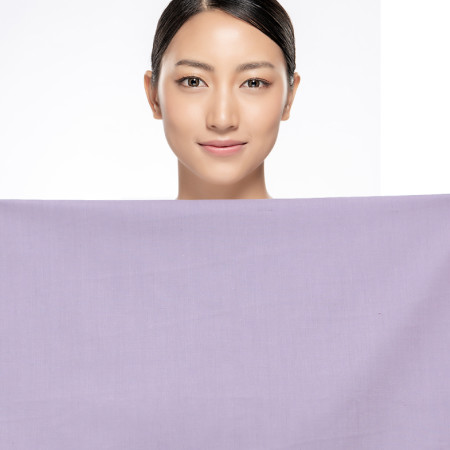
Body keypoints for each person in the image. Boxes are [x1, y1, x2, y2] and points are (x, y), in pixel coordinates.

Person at [144, 0, 301, 200]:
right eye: (193, 81)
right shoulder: (109, 222)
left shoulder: (334, 221)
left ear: (289, 97)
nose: (222, 120)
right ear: (154, 95)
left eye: (253, 83)